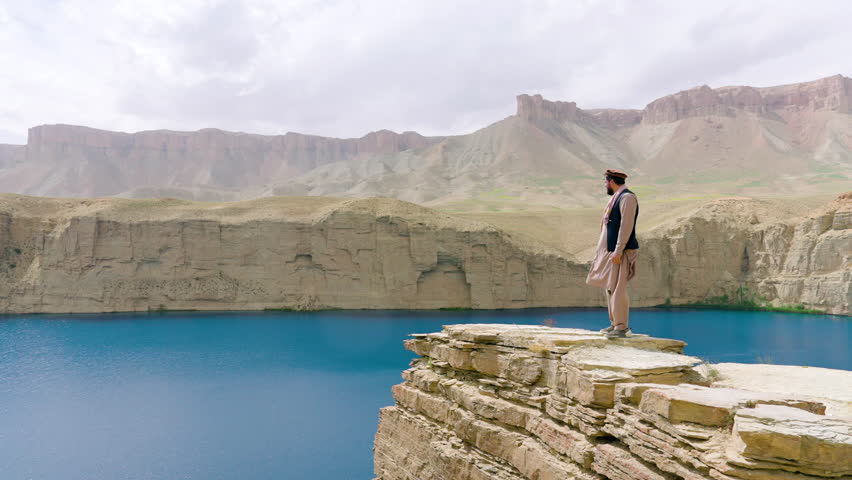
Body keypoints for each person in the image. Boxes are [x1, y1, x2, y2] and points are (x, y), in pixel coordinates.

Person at [585, 169, 639, 338]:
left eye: (606, 182)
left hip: (618, 252)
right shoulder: (616, 198)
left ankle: (622, 328)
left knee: (617, 288)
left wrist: (618, 249)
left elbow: (626, 226)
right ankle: (615, 324)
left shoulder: (627, 198)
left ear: (611, 182)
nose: (605, 185)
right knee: (610, 287)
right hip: (610, 252)